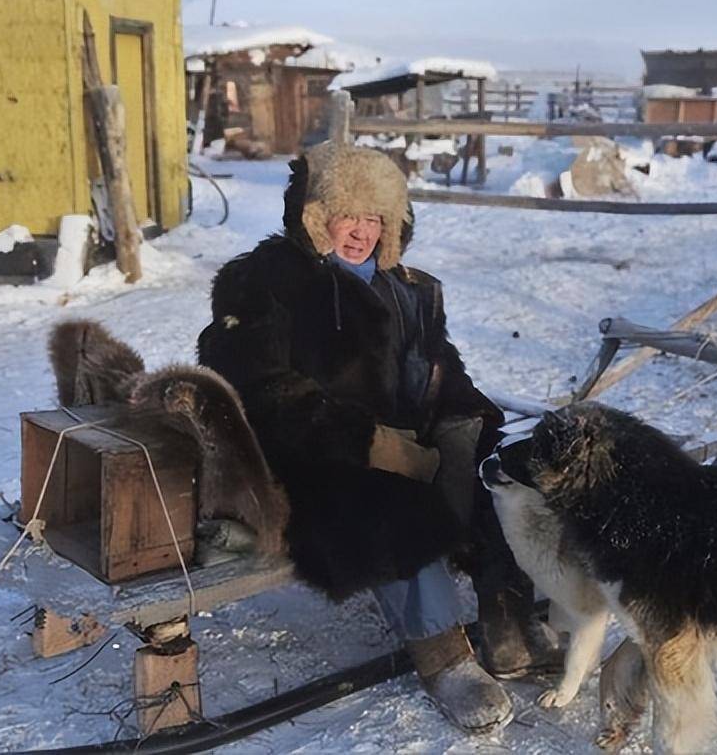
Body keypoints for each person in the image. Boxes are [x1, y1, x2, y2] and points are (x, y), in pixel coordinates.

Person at [197, 143, 560, 734]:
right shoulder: (263, 282)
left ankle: (507, 619)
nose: (361, 232)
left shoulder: (410, 290)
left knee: (496, 478)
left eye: (375, 219)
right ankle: (443, 656)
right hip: (306, 462)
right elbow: (261, 391)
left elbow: (443, 372)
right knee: (394, 505)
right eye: (348, 216)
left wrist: (469, 427)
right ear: (316, 216)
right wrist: (374, 445)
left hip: (404, 445)